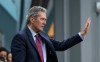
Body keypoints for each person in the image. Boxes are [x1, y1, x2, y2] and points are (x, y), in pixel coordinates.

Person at [11, 6, 91, 62]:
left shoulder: (43, 35)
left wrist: (82, 34)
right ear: (32, 19)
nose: (45, 23)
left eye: (45, 20)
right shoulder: (20, 38)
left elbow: (61, 45)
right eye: (42, 19)